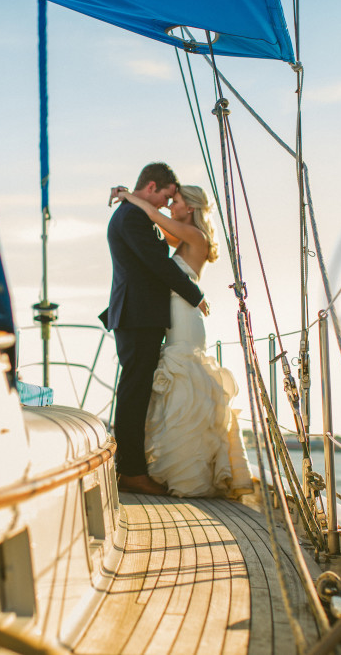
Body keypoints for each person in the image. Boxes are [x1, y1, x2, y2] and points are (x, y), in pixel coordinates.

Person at [113, 184, 254, 498]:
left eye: (173, 201)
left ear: (188, 207)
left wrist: (129, 197)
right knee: (178, 389)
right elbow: (151, 240)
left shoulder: (196, 237)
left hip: (185, 318)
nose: (168, 206)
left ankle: (188, 473)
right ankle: (176, 467)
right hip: (175, 317)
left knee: (185, 383)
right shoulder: (182, 236)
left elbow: (151, 214)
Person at [100, 163, 209, 496]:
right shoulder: (132, 217)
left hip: (139, 314)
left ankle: (133, 466)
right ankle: (131, 471)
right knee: (135, 393)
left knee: (138, 392)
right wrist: (195, 294)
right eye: (164, 196)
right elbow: (156, 263)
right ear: (150, 187)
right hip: (138, 315)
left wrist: (127, 195)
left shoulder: (134, 212)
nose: (165, 204)